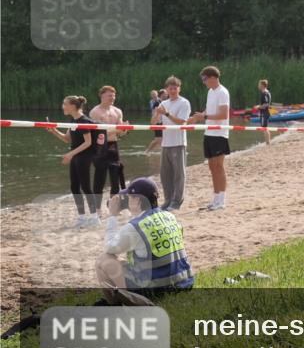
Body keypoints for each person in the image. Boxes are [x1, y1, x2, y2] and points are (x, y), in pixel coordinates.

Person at [96, 177, 194, 306]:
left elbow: (110, 247)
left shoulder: (135, 226)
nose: (127, 200)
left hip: (156, 290)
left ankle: (119, 302)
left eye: (129, 197)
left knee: (104, 259)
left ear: (137, 200)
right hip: (184, 283)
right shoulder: (170, 217)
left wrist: (113, 216)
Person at [46, 95, 100, 228]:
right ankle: (81, 217)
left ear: (73, 106)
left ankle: (94, 217)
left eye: (65, 104)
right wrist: (53, 131)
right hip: (76, 156)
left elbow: (88, 143)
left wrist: (70, 154)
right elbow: (67, 139)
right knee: (74, 187)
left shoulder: (84, 121)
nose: (63, 107)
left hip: (84, 156)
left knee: (86, 186)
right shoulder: (72, 120)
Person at [188, 66, 230, 211]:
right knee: (212, 167)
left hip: (219, 133)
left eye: (205, 79)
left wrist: (204, 116)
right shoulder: (210, 92)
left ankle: (222, 200)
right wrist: (196, 118)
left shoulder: (223, 92)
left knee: (219, 167)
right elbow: (208, 111)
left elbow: (223, 115)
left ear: (212, 77)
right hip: (209, 133)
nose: (204, 82)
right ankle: (216, 198)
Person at [155, 75, 191, 210]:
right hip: (166, 143)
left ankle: (177, 202)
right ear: (166, 90)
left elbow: (182, 122)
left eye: (175, 88)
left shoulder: (184, 102)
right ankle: (168, 200)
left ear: (179, 89)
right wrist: (156, 113)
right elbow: (154, 123)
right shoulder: (163, 104)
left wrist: (167, 114)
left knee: (178, 174)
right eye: (170, 88)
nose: (173, 90)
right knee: (165, 175)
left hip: (178, 142)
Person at [89, 85, 127, 208]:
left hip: (113, 146)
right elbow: (98, 133)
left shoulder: (117, 111)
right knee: (99, 180)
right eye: (109, 95)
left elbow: (121, 132)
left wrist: (124, 129)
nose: (112, 97)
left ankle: (113, 206)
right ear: (102, 95)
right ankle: (97, 208)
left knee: (115, 181)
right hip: (100, 147)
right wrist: (117, 129)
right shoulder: (95, 112)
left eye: (114, 95)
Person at [145, 89, 164, 154]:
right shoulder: (156, 102)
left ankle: (159, 151)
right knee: (157, 139)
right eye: (153, 95)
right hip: (157, 122)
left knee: (160, 139)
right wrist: (155, 121)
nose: (154, 96)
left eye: (155, 95)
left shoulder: (161, 101)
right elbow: (154, 112)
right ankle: (147, 151)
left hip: (161, 122)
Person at [256, 79, 272, 146]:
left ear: (262, 85)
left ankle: (267, 143)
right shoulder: (267, 92)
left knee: (264, 128)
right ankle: (267, 142)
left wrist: (258, 107)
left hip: (265, 113)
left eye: (259, 84)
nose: (258, 86)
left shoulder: (264, 93)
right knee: (265, 128)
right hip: (266, 112)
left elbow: (266, 104)